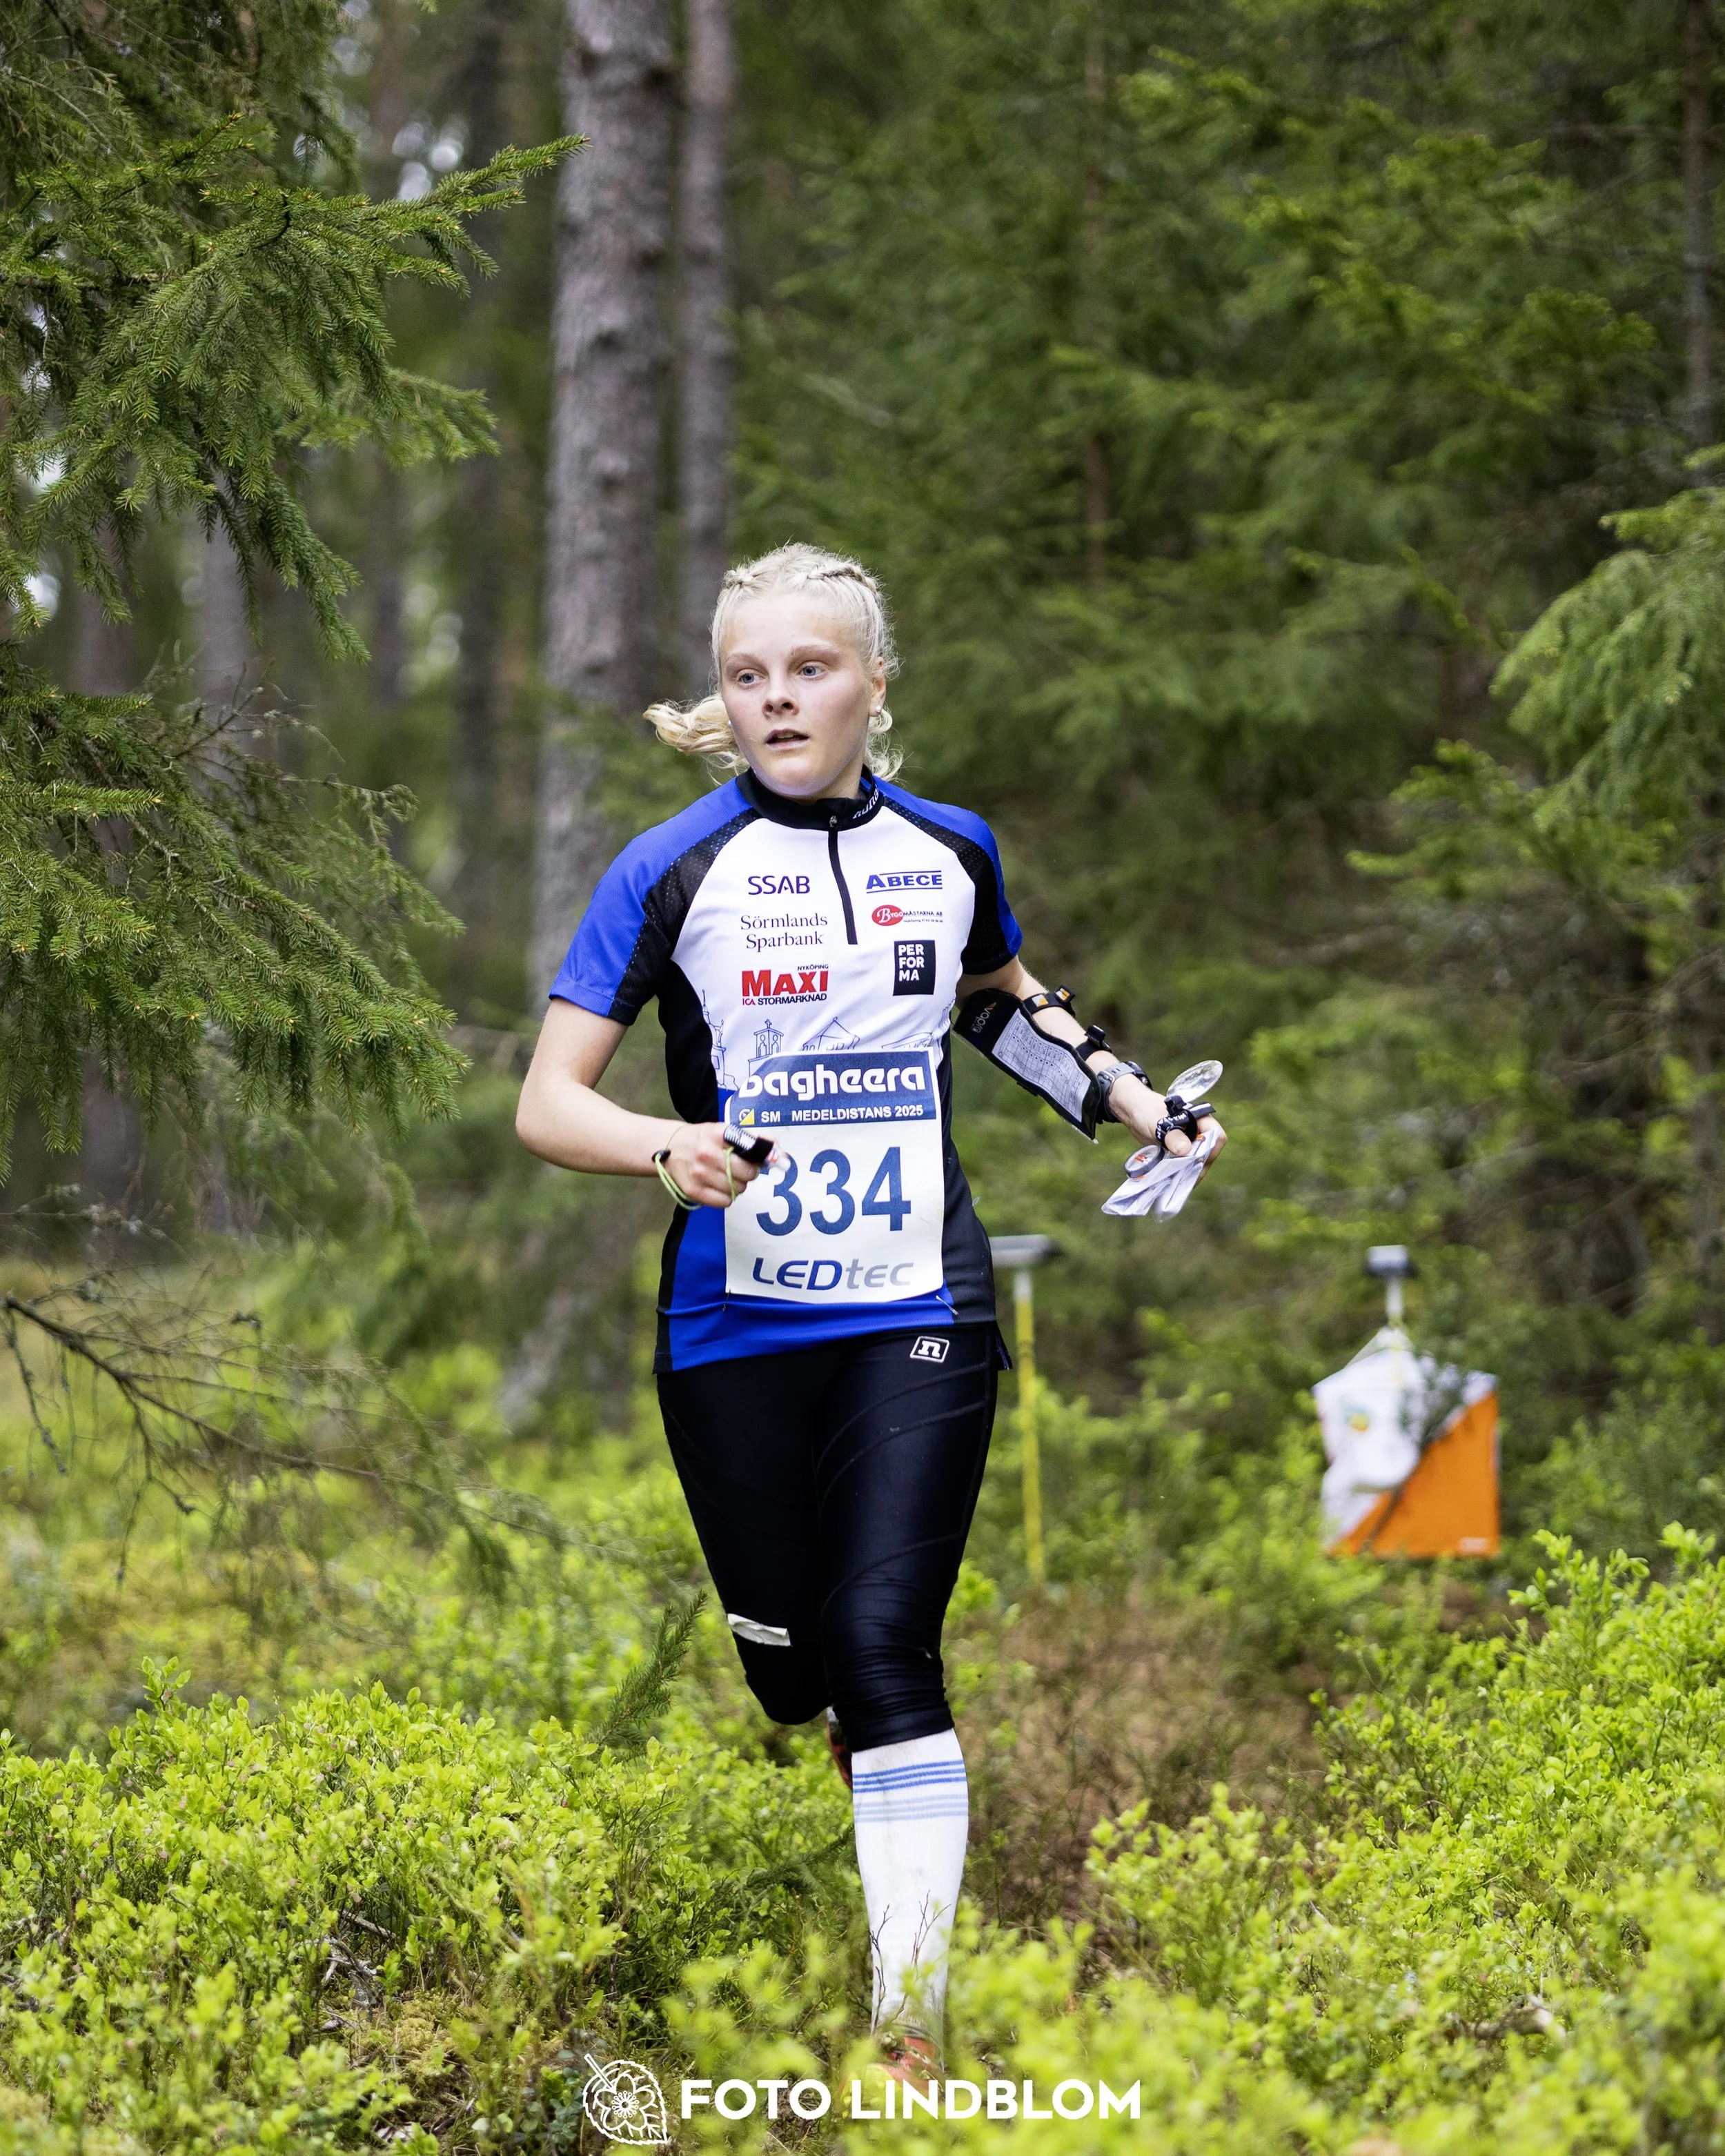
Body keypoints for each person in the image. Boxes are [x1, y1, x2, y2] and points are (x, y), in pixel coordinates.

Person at [515, 543, 1225, 2081]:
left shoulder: (948, 846)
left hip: (923, 1299)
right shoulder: (667, 867)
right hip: (735, 1325)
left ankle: (910, 2025)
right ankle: (830, 1711)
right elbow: (545, 1103)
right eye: (748, 675)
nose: (776, 698)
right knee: (794, 1666)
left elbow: (994, 1002)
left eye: (809, 669)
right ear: (726, 695)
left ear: (872, 683)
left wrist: (1121, 1094)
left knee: (887, 1639)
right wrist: (663, 1143)